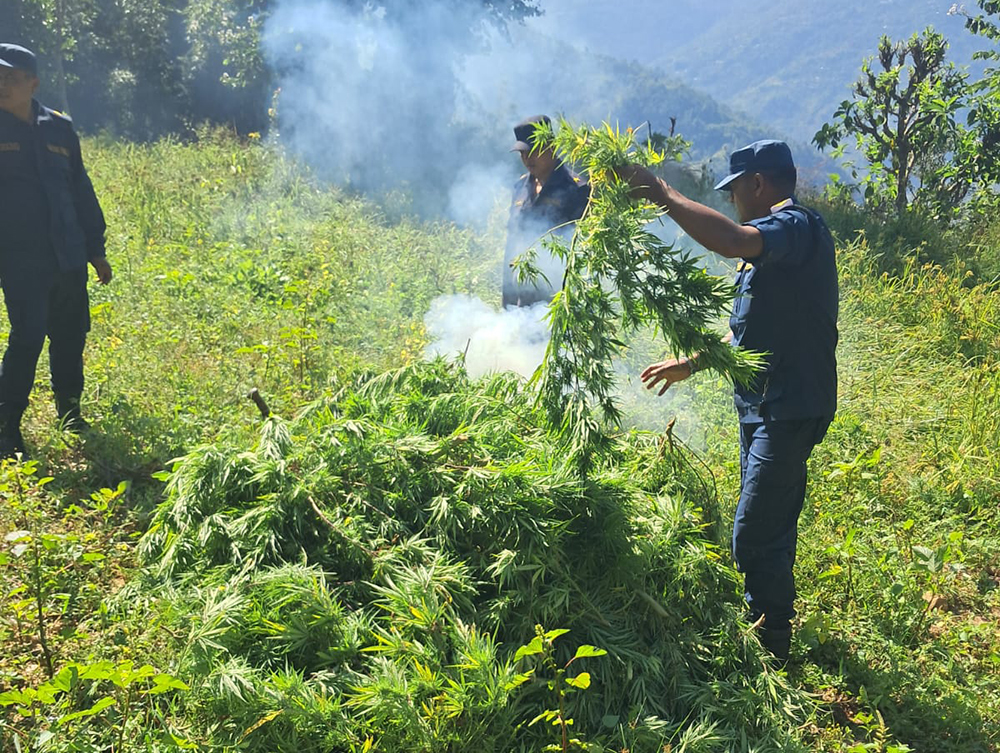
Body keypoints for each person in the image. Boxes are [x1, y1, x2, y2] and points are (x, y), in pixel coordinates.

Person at [622, 140, 838, 661]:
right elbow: (747, 332)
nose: (733, 201)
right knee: (769, 521)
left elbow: (732, 240)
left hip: (787, 410)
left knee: (752, 533)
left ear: (759, 184)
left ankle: (768, 649)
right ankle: (770, 627)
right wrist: (690, 363)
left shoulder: (794, 228)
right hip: (763, 406)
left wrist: (663, 193)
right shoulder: (771, 247)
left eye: (735, 189)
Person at [0, 43, 112, 459]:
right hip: (19, 258)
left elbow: (80, 190)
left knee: (69, 336)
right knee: (27, 337)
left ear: (33, 83)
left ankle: (70, 414)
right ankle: (7, 426)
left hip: (66, 255)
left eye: (11, 77)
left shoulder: (59, 128)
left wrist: (94, 249)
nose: (2, 85)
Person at [503, 115, 589, 308]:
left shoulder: (577, 188)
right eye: (523, 152)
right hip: (521, 298)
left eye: (534, 150)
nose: (527, 158)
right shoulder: (519, 188)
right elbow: (512, 246)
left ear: (552, 145)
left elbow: (584, 250)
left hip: (558, 300)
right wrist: (506, 303)